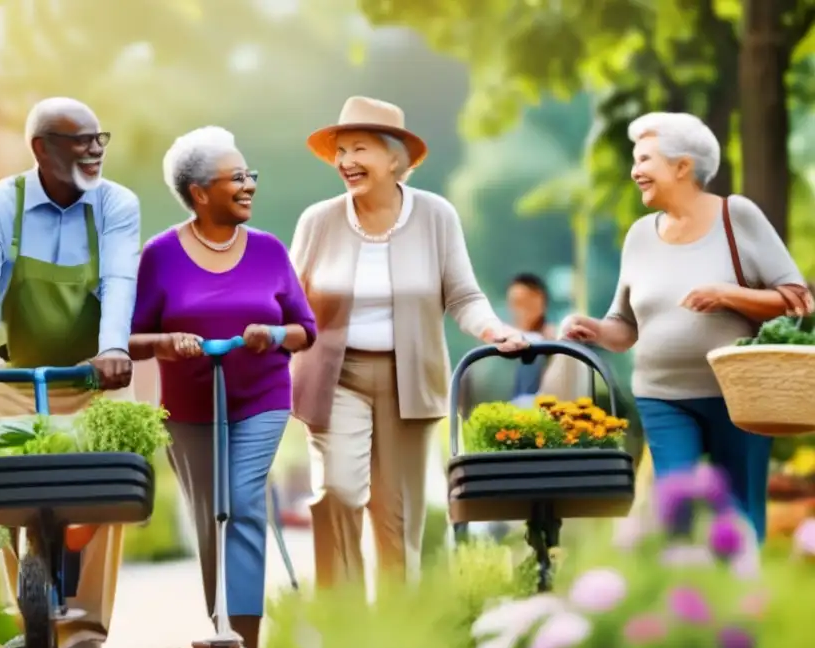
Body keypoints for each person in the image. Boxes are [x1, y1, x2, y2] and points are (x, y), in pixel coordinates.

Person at [288, 96, 527, 588]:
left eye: (359, 149)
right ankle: (341, 624)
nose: (346, 162)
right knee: (337, 491)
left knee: (396, 519)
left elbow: (463, 295)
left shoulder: (436, 216)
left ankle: (397, 629)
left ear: (395, 159)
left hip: (409, 382)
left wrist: (493, 328)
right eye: (341, 151)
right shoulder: (319, 220)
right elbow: (287, 298)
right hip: (336, 377)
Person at [0, 97, 139, 648]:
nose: (95, 149)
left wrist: (114, 348)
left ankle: (85, 632)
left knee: (110, 479)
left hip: (94, 379)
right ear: (41, 149)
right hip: (15, 381)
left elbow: (120, 279)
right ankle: (27, 612)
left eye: (99, 138)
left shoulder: (116, 204)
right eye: (79, 141)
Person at [562, 111, 812, 542]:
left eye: (645, 160)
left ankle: (743, 604)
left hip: (741, 396)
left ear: (682, 166)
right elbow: (624, 327)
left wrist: (727, 294)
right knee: (674, 511)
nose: (635, 171)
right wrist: (594, 329)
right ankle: (684, 601)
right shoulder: (640, 235)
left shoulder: (738, 216)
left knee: (739, 514)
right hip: (663, 396)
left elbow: (798, 299)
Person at [129, 127, 317, 648]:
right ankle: (223, 631)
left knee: (241, 502)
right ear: (198, 192)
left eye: (248, 175)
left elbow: (305, 328)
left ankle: (246, 642)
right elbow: (132, 337)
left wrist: (271, 335)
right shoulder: (160, 255)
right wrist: (168, 343)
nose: (248, 185)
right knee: (211, 516)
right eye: (236, 178)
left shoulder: (268, 250)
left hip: (261, 396)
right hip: (189, 406)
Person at [506, 273, 554, 405]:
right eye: (513, 303)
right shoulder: (503, 344)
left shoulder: (555, 345)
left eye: (523, 302)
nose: (517, 310)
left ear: (540, 301)